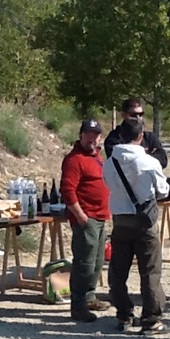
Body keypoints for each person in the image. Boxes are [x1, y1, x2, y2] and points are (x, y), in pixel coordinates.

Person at [102, 117, 170, 334]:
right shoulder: (150, 162)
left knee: (118, 270)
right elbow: (162, 190)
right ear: (141, 136)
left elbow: (108, 184)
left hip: (120, 219)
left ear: (120, 136)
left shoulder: (109, 162)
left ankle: (124, 314)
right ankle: (151, 318)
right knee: (149, 270)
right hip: (144, 220)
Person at [60, 119, 111, 323]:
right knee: (84, 263)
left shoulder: (97, 157)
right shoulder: (74, 159)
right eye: (88, 134)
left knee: (97, 262)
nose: (92, 138)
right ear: (81, 135)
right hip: (86, 218)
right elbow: (67, 190)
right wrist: (80, 216)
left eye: (96, 134)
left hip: (100, 216)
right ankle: (78, 305)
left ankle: (89, 297)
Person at [104, 97, 168, 168]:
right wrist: (148, 155)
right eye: (133, 115)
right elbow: (119, 163)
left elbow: (163, 161)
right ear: (123, 115)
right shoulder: (113, 139)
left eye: (141, 114)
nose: (138, 118)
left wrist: (132, 158)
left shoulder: (149, 137)